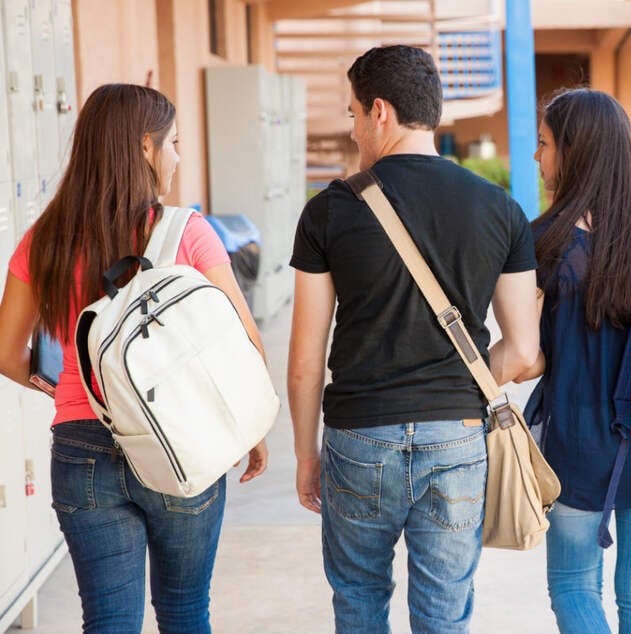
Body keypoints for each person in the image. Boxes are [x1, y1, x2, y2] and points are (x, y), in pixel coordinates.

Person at [287, 44, 539, 634]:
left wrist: (306, 456)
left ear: (380, 111)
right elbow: (523, 353)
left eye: (351, 115)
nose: (351, 132)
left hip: (359, 436)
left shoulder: (328, 212)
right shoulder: (501, 209)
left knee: (358, 597)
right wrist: (452, 383)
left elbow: (304, 363)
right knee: (444, 612)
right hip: (456, 437)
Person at [0, 83, 268, 633]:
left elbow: (7, 353)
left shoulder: (42, 239)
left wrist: (61, 390)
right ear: (145, 148)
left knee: (107, 620)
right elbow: (244, 342)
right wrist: (248, 429)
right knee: (185, 610)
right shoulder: (185, 232)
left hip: (80, 445)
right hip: (181, 440)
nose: (177, 156)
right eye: (172, 142)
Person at [501, 88, 631, 634]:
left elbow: (528, 359)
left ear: (575, 151)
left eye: (543, 145)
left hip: (575, 447)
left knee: (572, 585)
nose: (537, 157)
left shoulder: (542, 242)